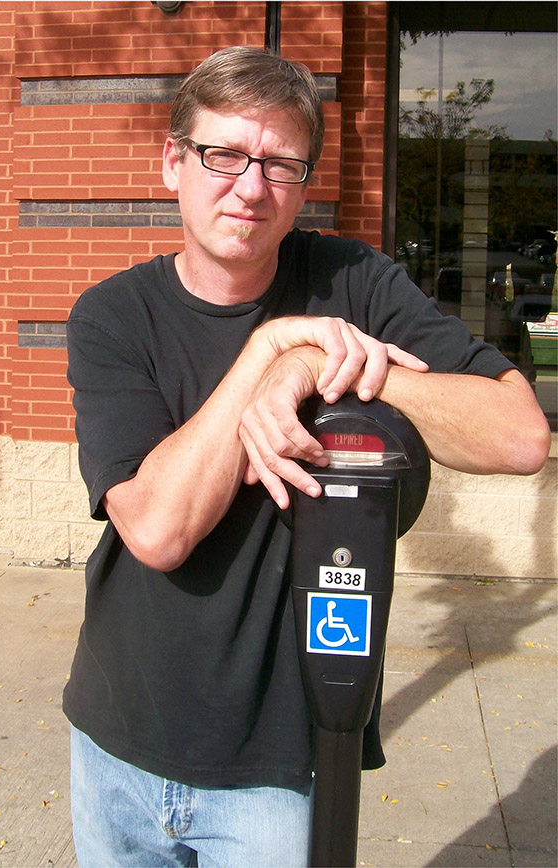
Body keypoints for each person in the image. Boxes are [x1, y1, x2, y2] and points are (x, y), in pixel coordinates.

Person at [64, 46, 550, 868]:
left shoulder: (352, 281)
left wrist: (315, 364)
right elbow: (156, 530)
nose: (250, 188)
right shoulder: (113, 316)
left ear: (303, 184)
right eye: (223, 154)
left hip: (280, 764)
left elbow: (520, 435)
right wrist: (270, 349)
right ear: (173, 162)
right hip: (119, 741)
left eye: (280, 164)